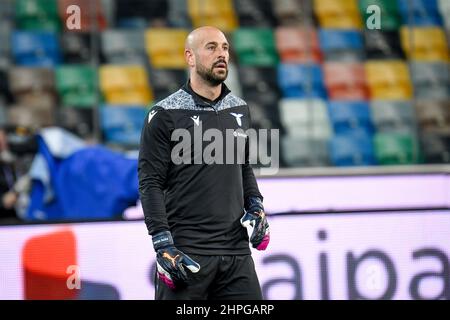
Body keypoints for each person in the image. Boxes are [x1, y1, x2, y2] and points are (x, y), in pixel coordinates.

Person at [138, 26, 270, 300]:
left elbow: (242, 165)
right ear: (190, 57)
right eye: (211, 47)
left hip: (236, 254)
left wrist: (256, 205)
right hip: (186, 255)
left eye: (224, 47)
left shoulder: (240, 108)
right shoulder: (164, 114)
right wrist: (161, 242)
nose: (221, 54)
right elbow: (149, 183)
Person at [0, 127, 18, 221]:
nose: (3, 144)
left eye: (4, 140)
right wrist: (2, 201)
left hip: (13, 216)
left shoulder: (7, 163)